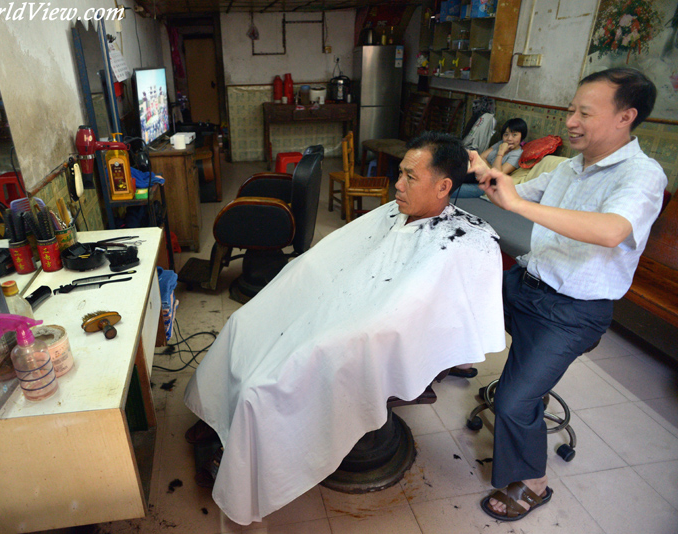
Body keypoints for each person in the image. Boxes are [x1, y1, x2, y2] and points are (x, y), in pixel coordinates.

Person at [183, 132, 507, 525]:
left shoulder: (462, 243)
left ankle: (242, 461)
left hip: (358, 333)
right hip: (331, 306)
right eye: (399, 174)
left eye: (408, 177)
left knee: (263, 387)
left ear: (443, 187)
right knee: (243, 323)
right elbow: (327, 258)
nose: (397, 186)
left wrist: (331, 330)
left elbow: (401, 318)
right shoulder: (395, 212)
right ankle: (220, 419)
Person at [468, 68, 667, 521]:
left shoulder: (641, 176)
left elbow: (613, 230)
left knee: (514, 401)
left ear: (625, 117)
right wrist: (488, 175)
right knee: (460, 297)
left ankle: (534, 482)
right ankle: (461, 365)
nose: (571, 121)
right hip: (527, 285)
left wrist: (519, 204)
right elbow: (517, 193)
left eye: (584, 112)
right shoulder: (571, 167)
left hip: (571, 312)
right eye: (570, 109)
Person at [455, 118, 528, 199]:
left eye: (514, 135)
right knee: (451, 174)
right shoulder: (501, 143)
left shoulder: (517, 155)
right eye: (506, 134)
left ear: (522, 136)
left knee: (452, 190)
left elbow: (496, 174)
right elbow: (482, 156)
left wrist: (500, 152)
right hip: (476, 174)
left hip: (487, 184)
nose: (509, 139)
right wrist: (489, 168)